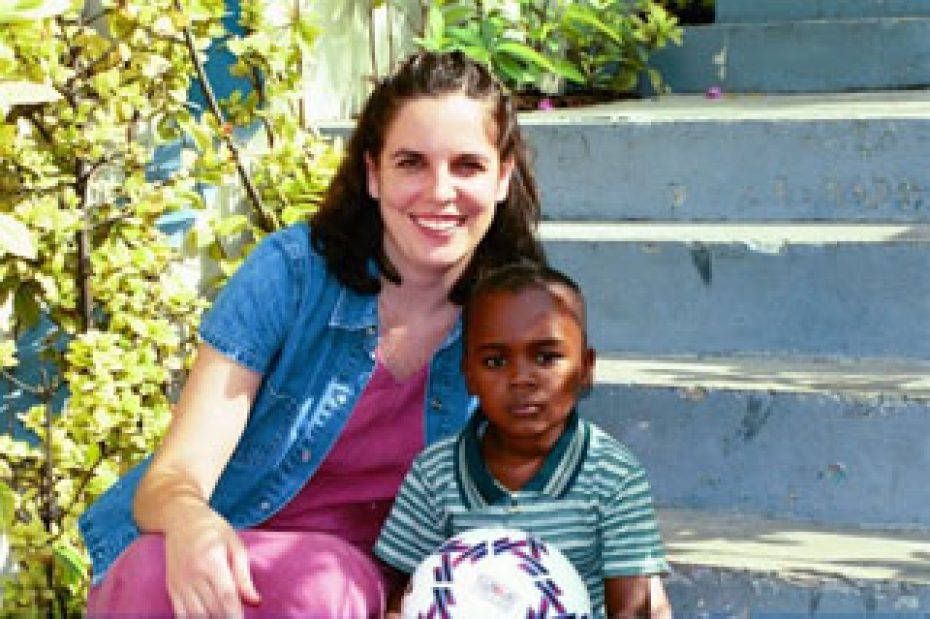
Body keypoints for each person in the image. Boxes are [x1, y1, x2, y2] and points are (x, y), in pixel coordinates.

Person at [79, 50, 546, 618]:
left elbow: (530, 507)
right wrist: (191, 522)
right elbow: (172, 477)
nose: (439, 192)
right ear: (374, 174)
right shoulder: (291, 274)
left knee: (326, 585)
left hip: (356, 588)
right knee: (161, 567)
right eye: (411, 163)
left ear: (503, 178)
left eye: (467, 166)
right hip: (221, 554)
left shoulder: (519, 319)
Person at [375, 262, 672, 618]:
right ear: (467, 374)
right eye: (496, 361)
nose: (521, 379)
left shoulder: (614, 476)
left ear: (586, 369)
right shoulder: (434, 473)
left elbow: (633, 609)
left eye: (546, 357)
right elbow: (406, 594)